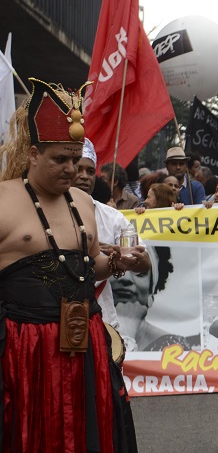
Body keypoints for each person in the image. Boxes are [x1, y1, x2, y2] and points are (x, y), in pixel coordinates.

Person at [0, 77, 137, 451]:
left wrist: (118, 261)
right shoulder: (3, 200)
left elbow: (92, 266)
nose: (71, 169)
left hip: (84, 340)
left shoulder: (85, 203)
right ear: (31, 155)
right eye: (59, 159)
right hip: (23, 351)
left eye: (75, 160)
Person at [73, 138, 151, 329]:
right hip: (52, 316)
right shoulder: (45, 212)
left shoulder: (112, 217)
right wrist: (93, 250)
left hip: (102, 317)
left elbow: (145, 263)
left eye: (91, 171)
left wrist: (125, 259)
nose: (85, 176)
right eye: (79, 169)